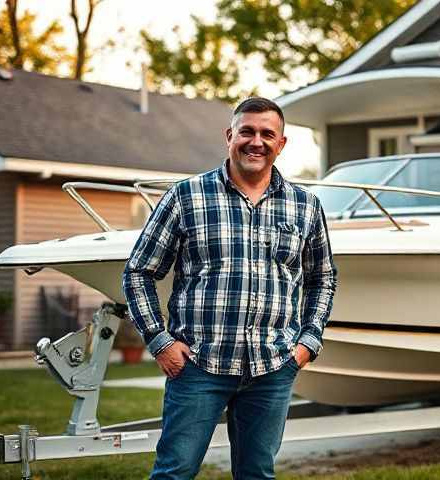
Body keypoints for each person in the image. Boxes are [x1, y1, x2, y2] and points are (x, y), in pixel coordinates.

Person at [122, 97, 337, 479]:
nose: (257, 141)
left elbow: (323, 278)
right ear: (229, 136)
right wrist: (160, 342)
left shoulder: (305, 207)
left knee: (257, 474)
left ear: (282, 143)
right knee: (174, 472)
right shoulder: (185, 197)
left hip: (273, 367)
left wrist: (307, 344)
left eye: (267, 134)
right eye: (247, 131)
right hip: (197, 367)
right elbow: (138, 271)